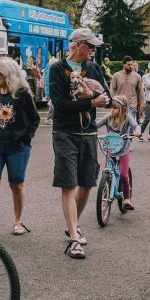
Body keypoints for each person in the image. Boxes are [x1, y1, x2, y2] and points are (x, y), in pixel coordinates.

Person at [48, 28, 110, 259]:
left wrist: (104, 100)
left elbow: (107, 96)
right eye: (90, 45)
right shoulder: (57, 69)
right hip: (65, 132)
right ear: (77, 45)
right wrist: (93, 102)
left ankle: (73, 223)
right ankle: (74, 239)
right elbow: (60, 104)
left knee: (86, 183)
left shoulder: (93, 68)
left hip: (88, 133)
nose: (94, 50)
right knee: (68, 183)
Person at [0, 57, 40, 235]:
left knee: (17, 184)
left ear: (9, 75)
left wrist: (25, 138)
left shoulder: (22, 95)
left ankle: (18, 222)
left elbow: (34, 119)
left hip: (17, 148)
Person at [95, 96, 141, 210]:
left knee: (123, 175)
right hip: (110, 151)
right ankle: (105, 195)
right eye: (112, 107)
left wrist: (137, 131)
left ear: (123, 109)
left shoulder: (127, 118)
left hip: (123, 151)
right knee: (106, 174)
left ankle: (127, 199)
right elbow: (96, 125)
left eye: (115, 108)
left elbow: (135, 125)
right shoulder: (108, 117)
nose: (113, 110)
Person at [110, 56, 144, 121]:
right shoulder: (116, 76)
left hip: (132, 105)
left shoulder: (137, 76)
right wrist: (113, 104)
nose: (131, 66)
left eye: (131, 64)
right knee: (121, 126)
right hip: (120, 105)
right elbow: (112, 90)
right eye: (128, 64)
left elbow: (140, 92)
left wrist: (142, 103)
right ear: (123, 65)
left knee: (131, 127)